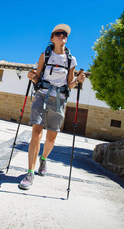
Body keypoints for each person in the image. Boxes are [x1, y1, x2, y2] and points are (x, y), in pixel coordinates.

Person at [19, 24, 85, 190]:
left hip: (59, 100)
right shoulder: (45, 55)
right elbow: (37, 78)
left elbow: (69, 84)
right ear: (52, 38)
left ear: (66, 39)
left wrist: (78, 81)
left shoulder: (71, 60)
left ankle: (43, 159)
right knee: (36, 135)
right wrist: (32, 76)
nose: (62, 35)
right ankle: (30, 173)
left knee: (51, 139)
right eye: (58, 33)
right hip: (41, 96)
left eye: (64, 34)